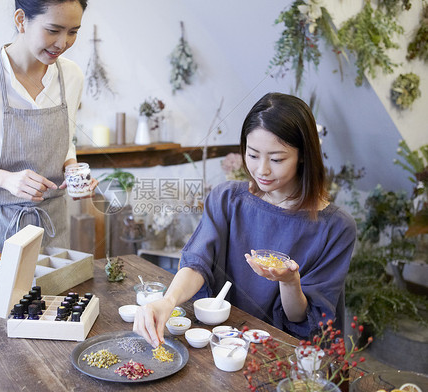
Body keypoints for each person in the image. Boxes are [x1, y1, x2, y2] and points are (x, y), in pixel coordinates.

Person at [134, 92, 356, 348]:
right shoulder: (227, 199)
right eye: (252, 155)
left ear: (304, 155)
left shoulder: (335, 228)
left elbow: (303, 321)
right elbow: (198, 262)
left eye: (277, 159)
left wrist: (289, 281)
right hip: (222, 344)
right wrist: (167, 301)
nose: (262, 169)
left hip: (283, 356)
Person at [0, 0, 97, 281]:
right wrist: (6, 180)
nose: (63, 43)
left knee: (49, 316)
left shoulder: (71, 76)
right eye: (53, 30)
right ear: (21, 20)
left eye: (73, 31)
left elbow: (65, 140)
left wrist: (73, 169)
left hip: (49, 228)